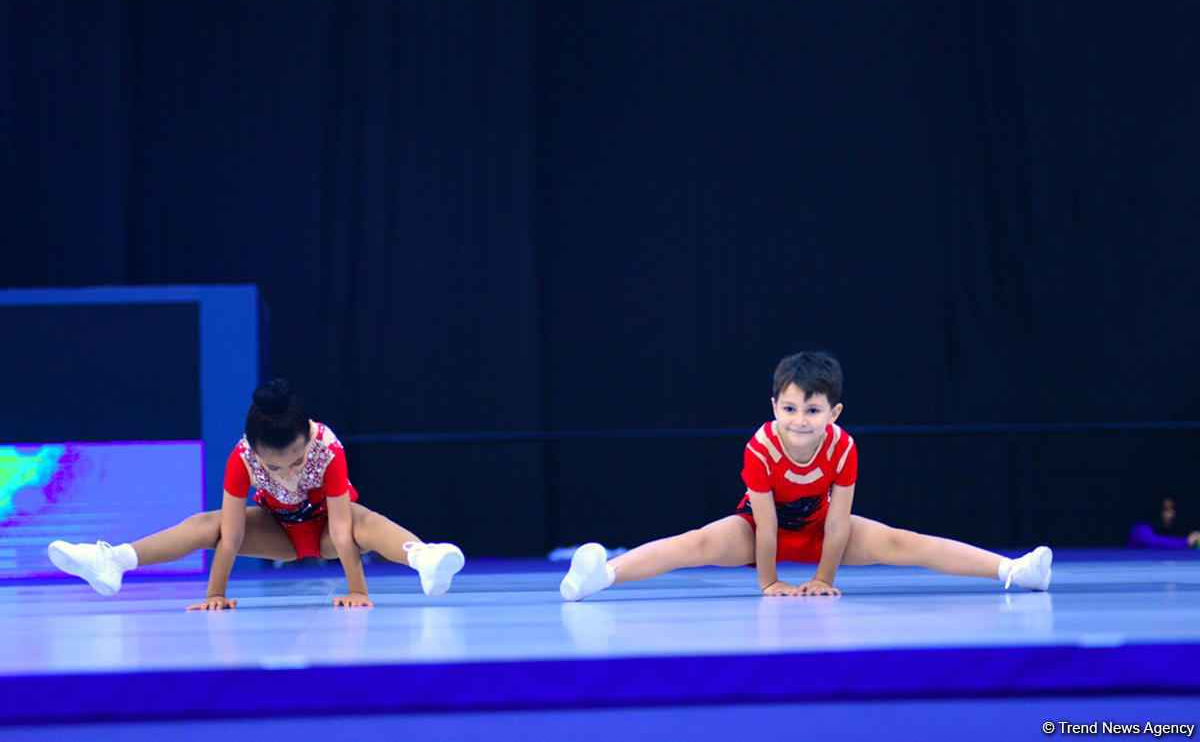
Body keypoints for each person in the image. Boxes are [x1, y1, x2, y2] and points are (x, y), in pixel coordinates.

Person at [560, 351, 1053, 601]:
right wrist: (770, 583)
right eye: (790, 407)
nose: (800, 419)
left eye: (812, 410)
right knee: (696, 544)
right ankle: (598, 577)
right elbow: (767, 522)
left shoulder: (842, 448)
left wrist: (822, 580)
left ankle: (1013, 571)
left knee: (905, 543)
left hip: (822, 534)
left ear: (833, 412)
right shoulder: (762, 446)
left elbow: (839, 523)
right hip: (758, 533)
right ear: (774, 406)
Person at [47, 379, 464, 609]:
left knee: (361, 520)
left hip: (327, 531)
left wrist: (358, 590)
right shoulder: (241, 458)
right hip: (278, 534)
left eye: (298, 462)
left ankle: (422, 556)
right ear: (255, 451)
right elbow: (230, 536)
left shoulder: (329, 447)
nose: (289, 473)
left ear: (308, 440)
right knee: (206, 523)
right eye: (275, 466)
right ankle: (113, 561)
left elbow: (339, 530)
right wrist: (215, 594)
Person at [1128, 497, 1200, 551]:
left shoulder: (1169, 529)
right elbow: (1153, 543)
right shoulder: (1141, 528)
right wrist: (1186, 542)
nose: (1171, 515)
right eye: (1166, 510)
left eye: (1172, 509)